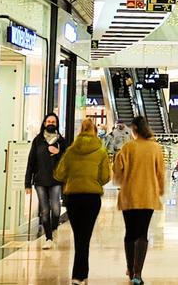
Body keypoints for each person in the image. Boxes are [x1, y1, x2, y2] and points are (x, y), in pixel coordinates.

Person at [54, 118, 111, 285]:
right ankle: (80, 274)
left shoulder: (71, 151)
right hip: (92, 198)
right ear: (94, 130)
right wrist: (93, 181)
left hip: (73, 197)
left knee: (79, 235)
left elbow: (59, 174)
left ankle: (78, 275)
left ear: (80, 130)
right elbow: (106, 177)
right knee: (85, 236)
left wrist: (72, 178)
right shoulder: (101, 152)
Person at [113, 116, 164, 285]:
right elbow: (161, 173)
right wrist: (160, 190)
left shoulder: (128, 147)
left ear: (134, 128)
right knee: (142, 233)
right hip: (148, 195)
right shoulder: (155, 148)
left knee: (130, 233)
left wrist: (121, 178)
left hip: (129, 195)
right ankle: (138, 273)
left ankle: (130, 268)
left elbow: (117, 169)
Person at [25, 113, 65, 249]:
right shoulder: (38, 141)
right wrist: (27, 183)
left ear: (57, 124)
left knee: (55, 209)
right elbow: (31, 162)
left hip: (56, 180)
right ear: (44, 123)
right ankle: (48, 237)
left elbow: (67, 161)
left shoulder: (61, 141)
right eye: (48, 121)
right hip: (40, 181)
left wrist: (58, 152)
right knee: (45, 211)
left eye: (53, 121)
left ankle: (54, 229)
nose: (51, 123)